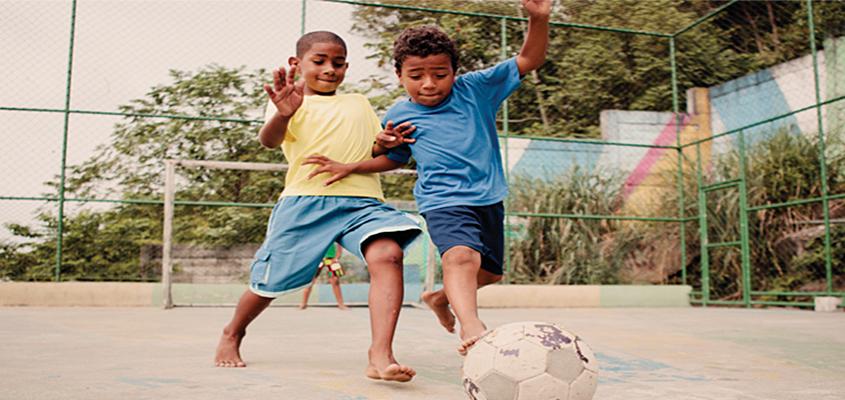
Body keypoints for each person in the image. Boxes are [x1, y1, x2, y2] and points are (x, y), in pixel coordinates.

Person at [304, 0, 551, 355]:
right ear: (399, 76)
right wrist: (355, 163)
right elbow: (393, 157)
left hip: (488, 197)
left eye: (440, 74)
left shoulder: (476, 90)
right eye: (416, 76)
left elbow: (529, 59)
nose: (429, 84)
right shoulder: (401, 113)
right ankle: (472, 326)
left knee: (490, 273)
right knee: (461, 257)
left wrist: (537, 19)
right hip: (442, 201)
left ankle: (439, 297)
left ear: (455, 71)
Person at [213, 31, 422, 383]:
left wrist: (386, 142)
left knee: (387, 254)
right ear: (297, 64)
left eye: (338, 64)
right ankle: (233, 332)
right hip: (306, 201)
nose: (330, 69)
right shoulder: (288, 100)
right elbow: (269, 140)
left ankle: (380, 354)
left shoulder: (358, 102)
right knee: (270, 282)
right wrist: (282, 114)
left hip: (363, 201)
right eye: (320, 61)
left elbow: (371, 149)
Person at [300, 242, 348, 310]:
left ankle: (341, 304)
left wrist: (337, 256)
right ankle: (303, 303)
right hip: (318, 258)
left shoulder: (333, 232)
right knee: (310, 279)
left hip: (331, 259)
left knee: (335, 280)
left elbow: (339, 244)